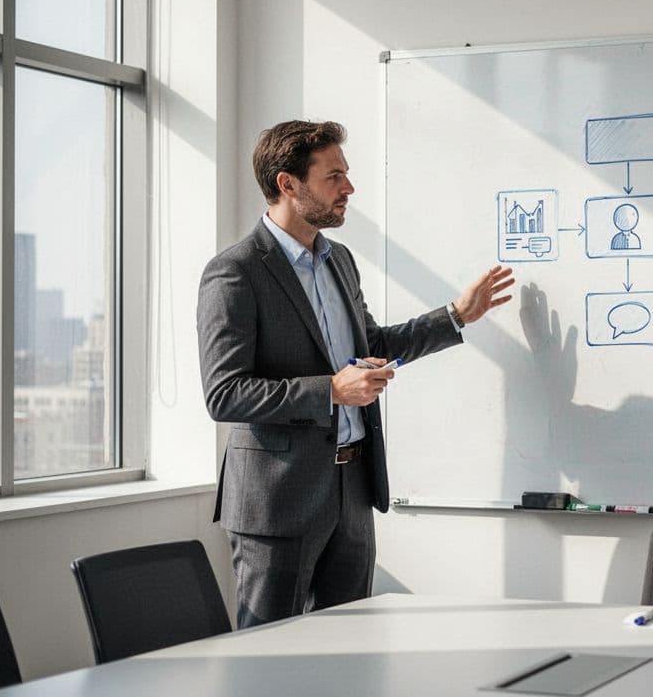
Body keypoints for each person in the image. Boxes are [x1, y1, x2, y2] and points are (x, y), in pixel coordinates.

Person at [196, 120, 513, 627]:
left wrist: (456, 315)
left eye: (345, 174)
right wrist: (331, 391)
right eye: (334, 176)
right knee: (267, 655)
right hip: (278, 501)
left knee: (350, 648)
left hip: (352, 491)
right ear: (287, 184)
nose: (349, 188)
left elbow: (373, 348)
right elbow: (225, 393)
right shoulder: (236, 271)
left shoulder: (338, 260)